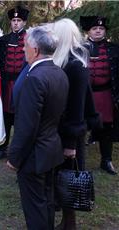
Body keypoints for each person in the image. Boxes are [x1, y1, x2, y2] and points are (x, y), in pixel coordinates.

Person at [7, 26, 69, 229]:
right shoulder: (59, 73)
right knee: (47, 201)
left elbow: (26, 126)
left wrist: (15, 158)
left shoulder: (34, 78)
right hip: (51, 149)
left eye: (25, 46)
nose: (23, 49)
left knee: (35, 208)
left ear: (34, 50)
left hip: (34, 155)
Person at [50, 18, 91, 230]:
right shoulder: (64, 61)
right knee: (60, 178)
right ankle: (65, 221)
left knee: (69, 180)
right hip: (59, 131)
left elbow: (77, 107)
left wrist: (71, 143)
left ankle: (69, 224)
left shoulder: (76, 66)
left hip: (69, 136)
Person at [80, 16, 119, 175]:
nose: (98, 31)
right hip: (84, 95)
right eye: (94, 28)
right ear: (88, 31)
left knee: (106, 129)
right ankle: (78, 161)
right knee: (80, 127)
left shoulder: (114, 49)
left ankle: (106, 160)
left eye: (101, 28)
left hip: (105, 94)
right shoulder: (79, 48)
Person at [0, 6, 29, 161]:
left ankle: (19, 151)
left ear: (24, 22)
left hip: (24, 85)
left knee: (21, 119)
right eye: (13, 20)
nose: (16, 23)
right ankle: (2, 149)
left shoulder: (31, 39)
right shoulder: (3, 40)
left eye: (19, 20)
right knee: (5, 118)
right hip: (6, 85)